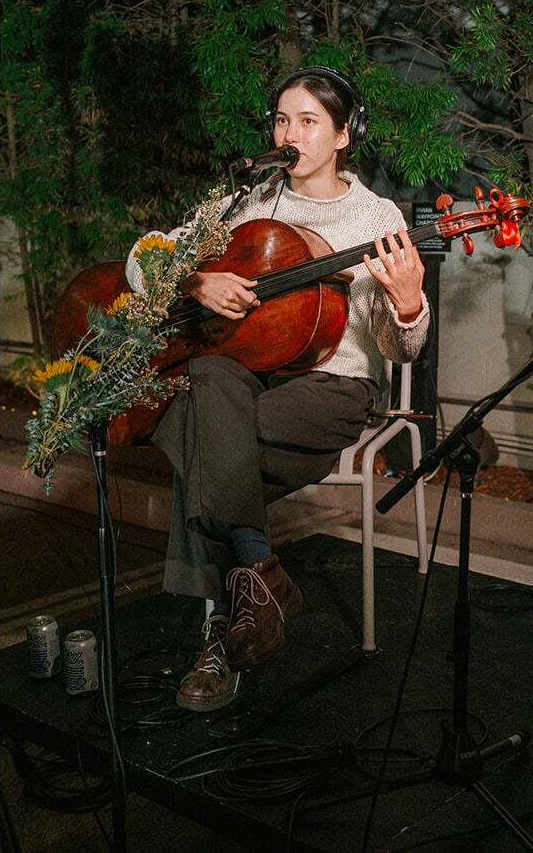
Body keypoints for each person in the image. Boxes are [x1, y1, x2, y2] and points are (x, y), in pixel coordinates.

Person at [125, 66, 430, 711]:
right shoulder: (249, 200)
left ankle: (223, 624)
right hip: (246, 380)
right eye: (282, 120)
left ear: (344, 135)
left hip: (332, 389)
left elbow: (399, 348)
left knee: (206, 438)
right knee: (209, 379)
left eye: (309, 121)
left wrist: (408, 306)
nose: (290, 134)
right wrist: (196, 281)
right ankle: (257, 580)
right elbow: (143, 257)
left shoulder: (376, 217)